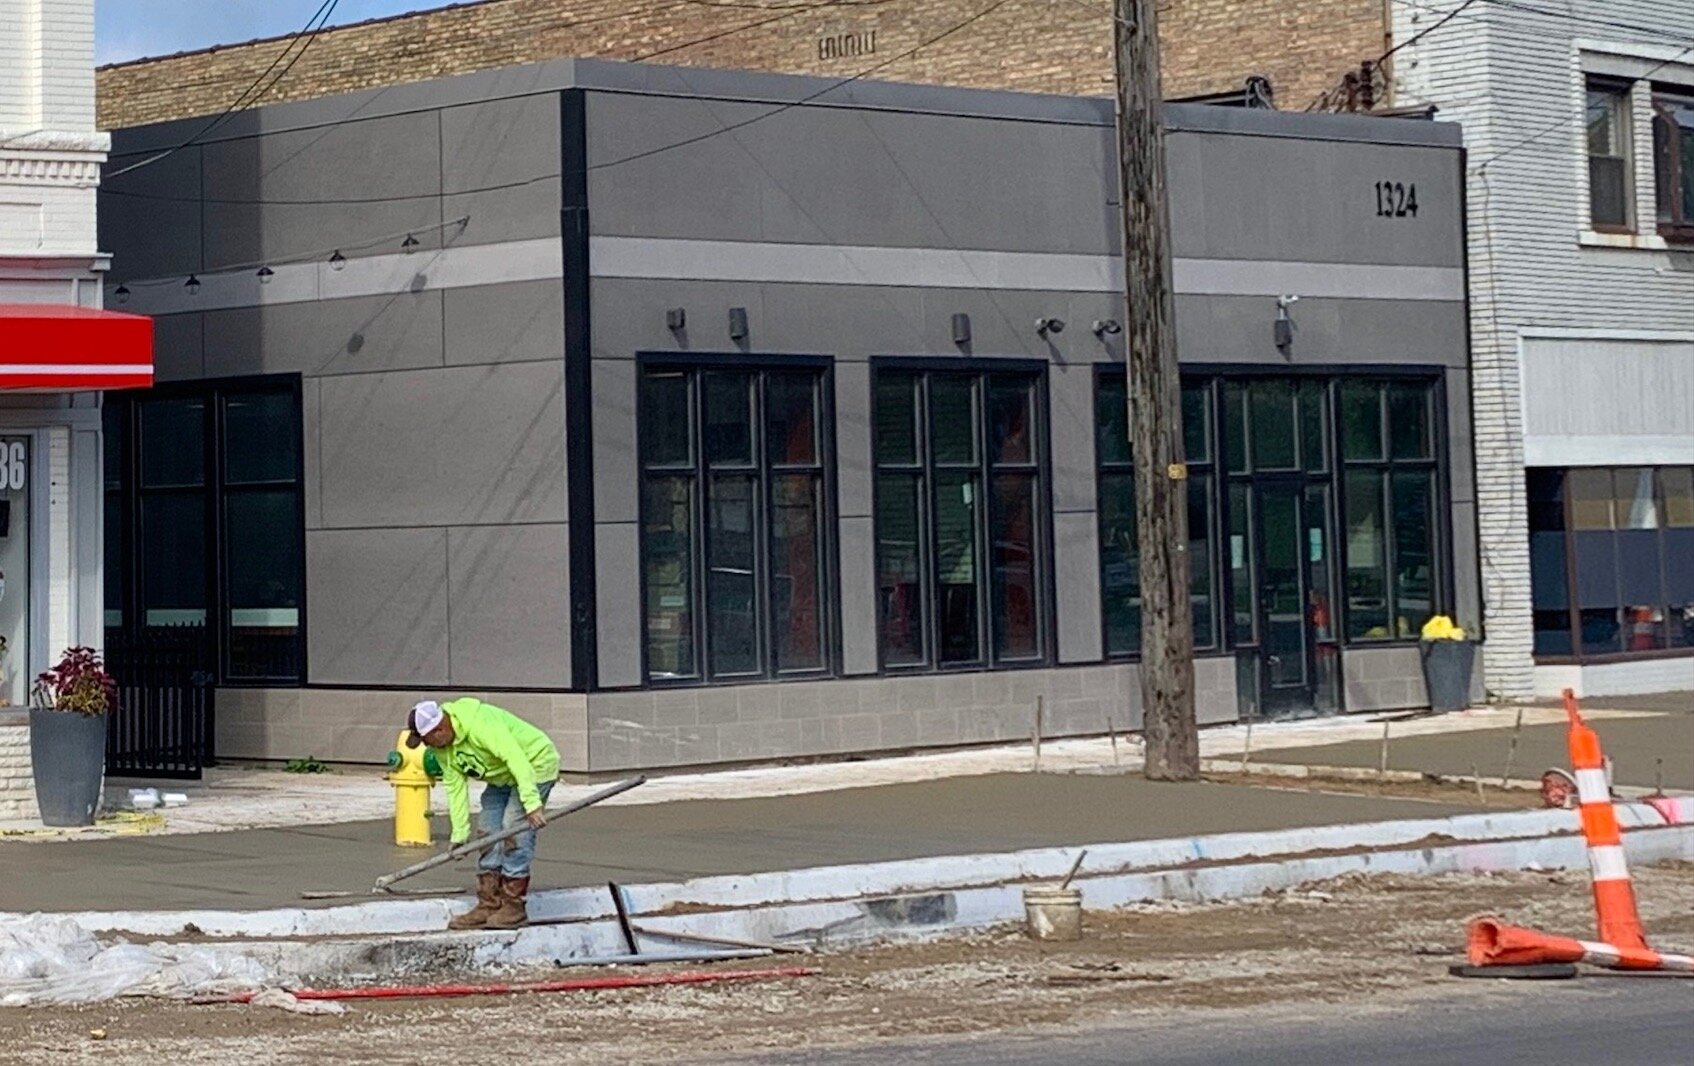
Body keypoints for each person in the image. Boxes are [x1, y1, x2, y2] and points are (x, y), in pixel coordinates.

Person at [405, 698, 560, 929]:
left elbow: (516, 758)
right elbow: (455, 787)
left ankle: (513, 907)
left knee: (513, 829)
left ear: (439, 730)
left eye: (426, 740)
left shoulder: (480, 724)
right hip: (502, 776)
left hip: (534, 765)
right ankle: (489, 903)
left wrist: (531, 803)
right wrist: (459, 835)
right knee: (488, 830)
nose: (427, 746)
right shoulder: (442, 749)